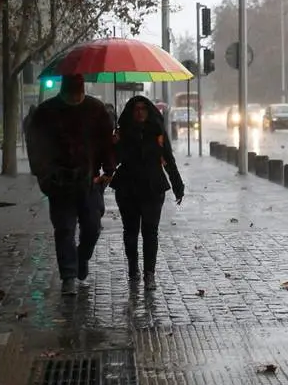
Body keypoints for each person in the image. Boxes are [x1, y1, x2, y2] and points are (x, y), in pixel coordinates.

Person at [26, 74, 115, 295]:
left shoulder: (96, 109)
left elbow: (105, 142)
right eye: (72, 93)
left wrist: (109, 170)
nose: (76, 97)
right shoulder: (46, 113)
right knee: (64, 228)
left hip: (89, 181)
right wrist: (45, 175)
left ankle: (81, 257)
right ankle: (68, 275)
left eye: (79, 93)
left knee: (92, 227)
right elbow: (36, 146)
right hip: (60, 182)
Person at [110, 96, 184, 290]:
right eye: (136, 109)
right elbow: (113, 160)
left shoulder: (157, 132)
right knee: (131, 231)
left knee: (150, 232)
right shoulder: (122, 132)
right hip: (128, 187)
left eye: (144, 108)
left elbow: (168, 158)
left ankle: (149, 273)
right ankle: (133, 268)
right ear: (131, 112)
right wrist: (115, 143)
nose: (140, 112)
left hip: (153, 186)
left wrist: (177, 184)